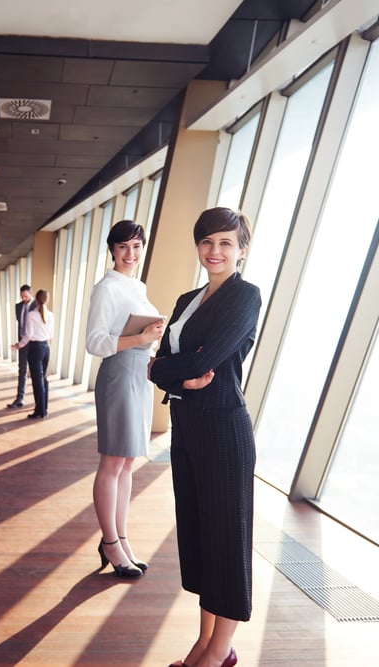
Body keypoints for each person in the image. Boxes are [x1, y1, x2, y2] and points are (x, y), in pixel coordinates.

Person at [148, 207, 261, 667]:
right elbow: (159, 366)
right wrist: (173, 375)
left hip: (222, 430)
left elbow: (202, 362)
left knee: (225, 538)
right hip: (187, 428)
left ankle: (219, 651)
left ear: (241, 250)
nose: (214, 251)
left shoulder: (244, 296)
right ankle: (205, 641)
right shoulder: (186, 299)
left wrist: (175, 372)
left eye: (225, 243)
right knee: (199, 535)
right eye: (207, 242)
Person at [85, 220, 164, 579]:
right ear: (112, 249)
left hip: (137, 374)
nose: (130, 254)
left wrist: (151, 341)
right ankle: (110, 542)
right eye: (123, 247)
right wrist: (139, 338)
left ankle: (122, 538)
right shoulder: (107, 288)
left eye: (136, 246)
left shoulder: (137, 285)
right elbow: (95, 342)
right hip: (118, 373)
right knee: (112, 462)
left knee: (128, 461)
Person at [11, 289, 53, 419]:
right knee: (44, 378)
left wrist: (19, 345)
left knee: (37, 380)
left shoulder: (31, 315)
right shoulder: (51, 315)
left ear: (35, 298)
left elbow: (28, 335)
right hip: (46, 347)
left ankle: (39, 411)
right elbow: (51, 334)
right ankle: (44, 408)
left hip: (35, 349)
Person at [7, 285, 34, 408]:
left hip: (34, 343)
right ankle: (20, 398)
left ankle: (39, 402)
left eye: (26, 296)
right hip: (22, 342)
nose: (24, 298)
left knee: (36, 373)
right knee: (22, 371)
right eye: (22, 296)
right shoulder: (18, 306)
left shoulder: (37, 307)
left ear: (31, 293)